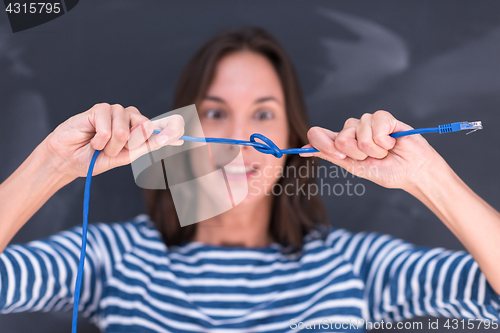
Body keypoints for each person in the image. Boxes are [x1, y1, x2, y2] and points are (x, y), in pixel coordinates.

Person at [1, 27, 499, 333]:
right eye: (216, 113)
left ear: (291, 135)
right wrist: (53, 165)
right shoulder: (113, 256)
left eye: (264, 114)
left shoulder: (357, 264)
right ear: (182, 134)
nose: (242, 138)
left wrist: (427, 177)